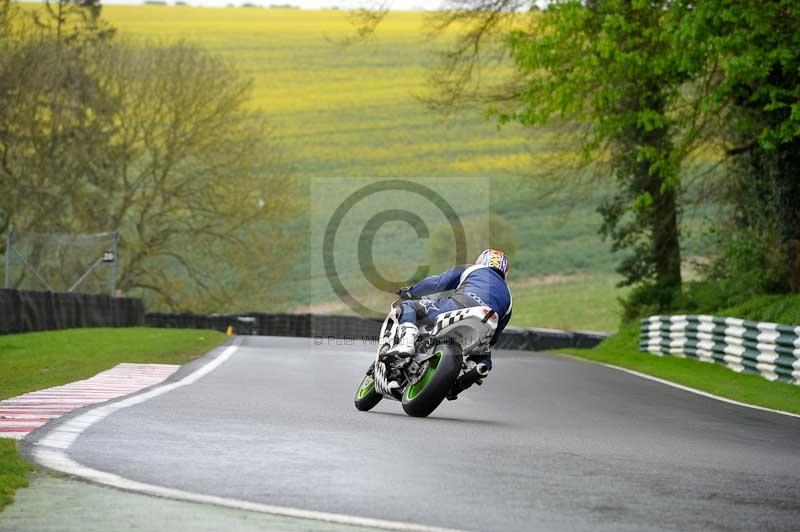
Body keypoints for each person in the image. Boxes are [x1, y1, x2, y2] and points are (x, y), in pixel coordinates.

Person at [388, 249, 513, 384]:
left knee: (409, 307)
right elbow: (494, 337)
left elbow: (437, 283)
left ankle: (407, 340)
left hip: (460, 305)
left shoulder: (472, 269)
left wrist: (410, 292)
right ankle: (476, 369)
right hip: (486, 321)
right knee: (484, 353)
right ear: (505, 271)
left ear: (481, 261)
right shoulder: (509, 298)